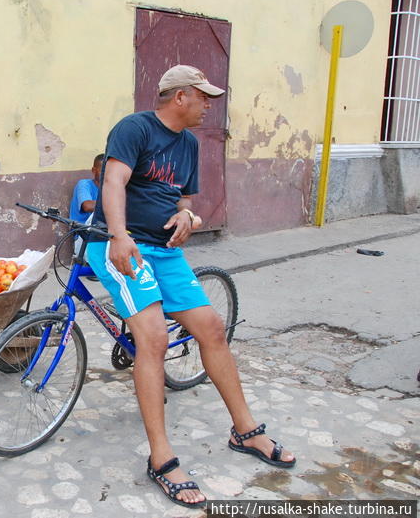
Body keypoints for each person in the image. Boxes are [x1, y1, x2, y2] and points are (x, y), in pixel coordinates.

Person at [86, 65, 295, 508]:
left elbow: (183, 198)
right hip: (122, 246)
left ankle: (245, 431)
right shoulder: (135, 128)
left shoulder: (190, 144)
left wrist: (188, 216)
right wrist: (119, 236)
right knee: (155, 339)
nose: (208, 106)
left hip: (166, 252)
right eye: (203, 97)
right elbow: (114, 181)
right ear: (180, 96)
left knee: (213, 328)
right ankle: (161, 459)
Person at [69, 154, 103, 223]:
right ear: (94, 170)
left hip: (101, 230)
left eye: (109, 171)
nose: (106, 174)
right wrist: (114, 206)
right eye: (102, 171)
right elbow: (87, 206)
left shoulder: (109, 190)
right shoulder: (84, 184)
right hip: (83, 231)